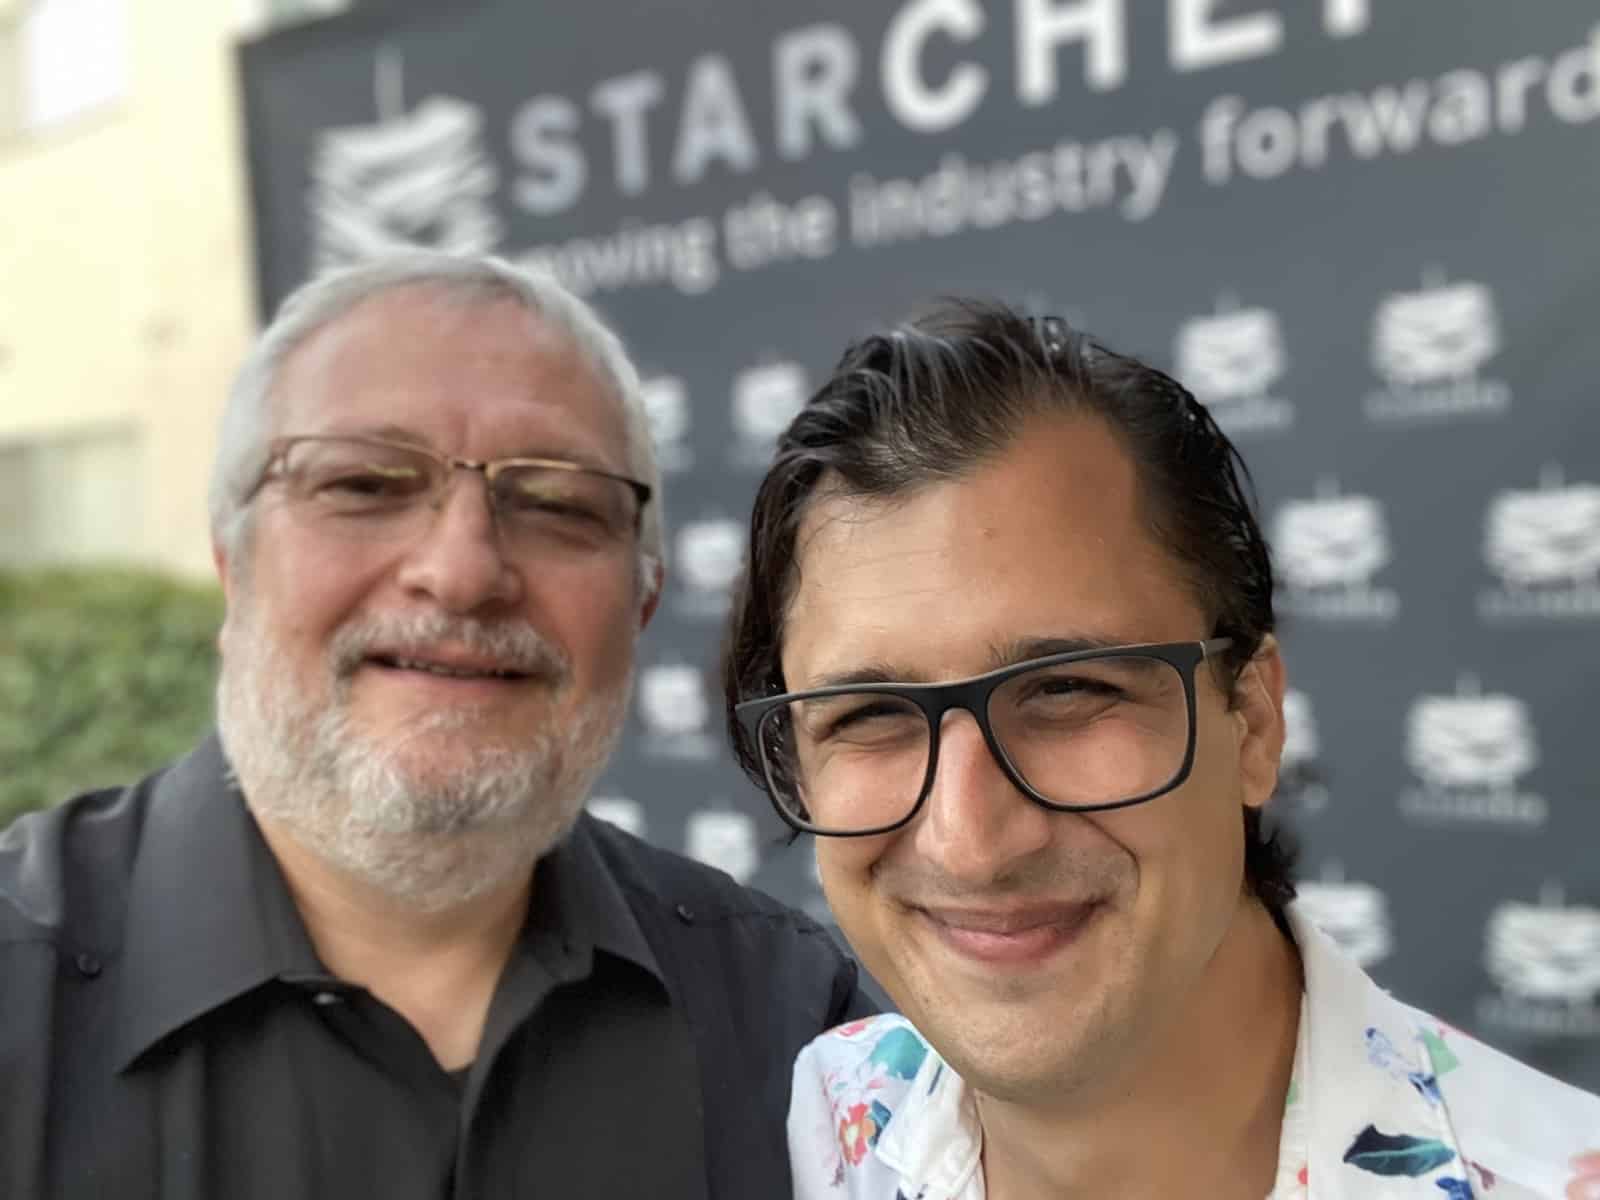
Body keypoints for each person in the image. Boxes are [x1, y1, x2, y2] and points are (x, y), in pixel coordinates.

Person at [0, 252, 873, 1199]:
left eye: (555, 503)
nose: (462, 572)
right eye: (364, 485)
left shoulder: (794, 1026)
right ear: (231, 564)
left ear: (643, 603)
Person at [720, 301, 1600, 1199]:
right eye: (870, 714)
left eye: (1067, 690)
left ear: (1252, 719)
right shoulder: (820, 1128)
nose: (969, 844)